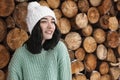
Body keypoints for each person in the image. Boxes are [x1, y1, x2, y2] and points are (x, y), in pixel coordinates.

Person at [7, 1, 72, 80]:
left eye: (52, 22)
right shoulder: (20, 55)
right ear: (35, 27)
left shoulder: (60, 49)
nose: (50, 26)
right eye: (44, 21)